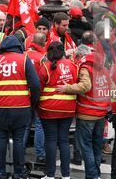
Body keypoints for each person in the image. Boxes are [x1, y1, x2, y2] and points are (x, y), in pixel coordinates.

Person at [0, 35, 40, 179]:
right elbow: (35, 84)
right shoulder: (24, 59)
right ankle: (18, 173)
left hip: (2, 107)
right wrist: (32, 102)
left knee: (1, 139)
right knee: (18, 140)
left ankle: (0, 173)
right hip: (21, 107)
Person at [57, 48, 111, 179]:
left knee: (86, 147)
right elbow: (112, 87)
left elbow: (85, 86)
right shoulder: (103, 69)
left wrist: (67, 88)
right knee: (96, 147)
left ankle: (92, 176)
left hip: (86, 114)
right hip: (100, 114)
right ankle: (96, 174)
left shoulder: (86, 67)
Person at [37, 42, 78, 179]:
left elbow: (38, 88)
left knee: (51, 141)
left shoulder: (45, 67)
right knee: (64, 141)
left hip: (48, 109)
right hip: (68, 109)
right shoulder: (72, 65)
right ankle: (66, 175)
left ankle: (50, 175)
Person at [23, 33, 47, 163]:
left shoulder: (23, 55)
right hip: (38, 94)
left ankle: (20, 151)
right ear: (43, 43)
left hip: (23, 95)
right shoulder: (43, 57)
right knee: (39, 125)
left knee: (25, 125)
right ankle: (40, 154)